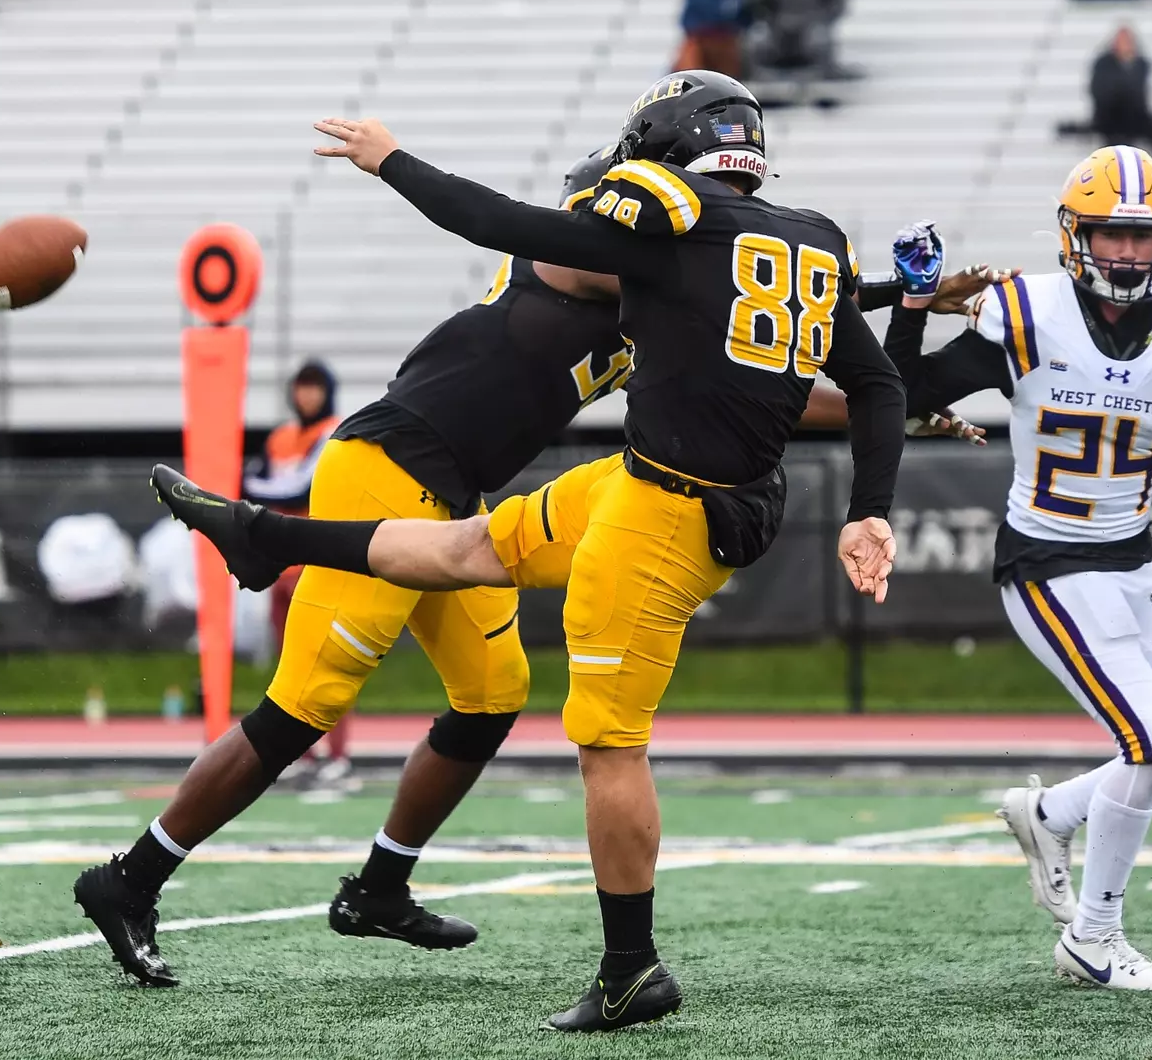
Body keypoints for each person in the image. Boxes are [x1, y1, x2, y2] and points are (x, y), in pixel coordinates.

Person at [76, 137, 1000, 996]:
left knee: (490, 694)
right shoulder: (577, 262)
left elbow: (762, 351)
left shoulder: (656, 305)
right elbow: (710, 270)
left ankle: (379, 888)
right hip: (384, 466)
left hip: (456, 492)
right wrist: (871, 289)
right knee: (306, 705)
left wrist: (892, 350)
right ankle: (131, 878)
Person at [883, 146, 1152, 992]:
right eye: (1110, 234)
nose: (1127, 253)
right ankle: (1093, 938)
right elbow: (901, 393)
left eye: (1143, 236)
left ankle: (1050, 813)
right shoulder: (1028, 316)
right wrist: (911, 304)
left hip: (1134, 561)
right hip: (1048, 563)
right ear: (1074, 234)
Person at [243, 359, 351, 784]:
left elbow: (294, 488)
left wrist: (251, 485)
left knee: (331, 662)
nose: (307, 395)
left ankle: (337, 753)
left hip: (317, 565)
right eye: (301, 387)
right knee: (290, 667)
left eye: (315, 387)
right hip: (280, 568)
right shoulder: (281, 437)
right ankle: (302, 754)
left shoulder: (334, 432)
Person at [745, 0, 853, 81]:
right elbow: (753, 2)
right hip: (778, 32)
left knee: (819, 37)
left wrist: (822, 20)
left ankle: (821, 78)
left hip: (808, 29)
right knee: (757, 39)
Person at [674, 0, 750, 78]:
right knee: (690, 49)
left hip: (727, 41)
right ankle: (690, 79)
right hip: (702, 40)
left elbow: (745, 20)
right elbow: (687, 21)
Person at [1090, 26, 1152, 147]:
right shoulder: (1103, 64)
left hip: (1135, 117)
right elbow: (1099, 92)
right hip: (1109, 117)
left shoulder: (1141, 64)